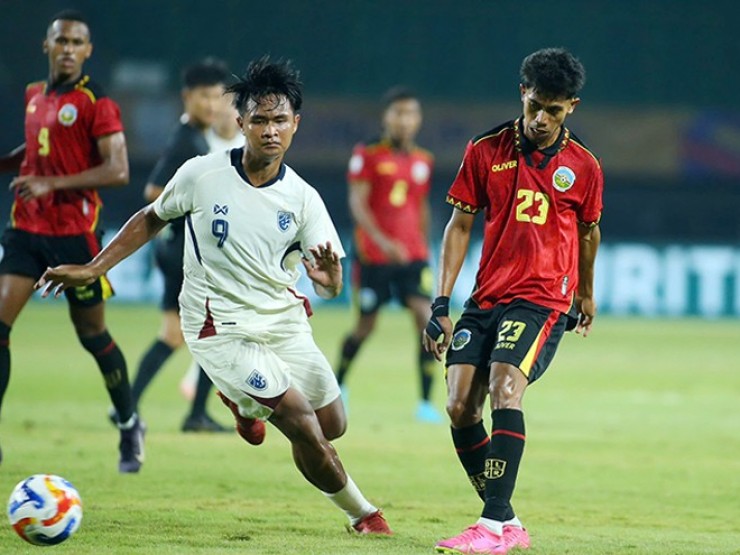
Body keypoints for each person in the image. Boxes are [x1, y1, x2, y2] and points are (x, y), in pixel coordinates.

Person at [36, 55, 393, 535]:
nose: (270, 130)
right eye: (260, 120)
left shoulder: (304, 199)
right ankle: (363, 514)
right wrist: (94, 267)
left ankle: (244, 406)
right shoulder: (202, 174)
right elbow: (151, 217)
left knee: (332, 425)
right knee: (300, 421)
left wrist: (328, 279)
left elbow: (329, 287)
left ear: (296, 124)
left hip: (282, 322)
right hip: (218, 327)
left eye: (280, 120)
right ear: (241, 123)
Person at [423, 48, 603, 554]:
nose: (542, 119)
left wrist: (586, 292)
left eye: (554, 110)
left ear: (571, 106)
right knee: (460, 405)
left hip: (542, 298)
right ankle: (508, 521)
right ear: (522, 93)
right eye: (534, 106)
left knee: (506, 386)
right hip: (486, 297)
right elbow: (459, 225)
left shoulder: (584, 165)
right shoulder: (485, 149)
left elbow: (588, 231)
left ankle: (489, 526)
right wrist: (441, 303)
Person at [0, 10, 144, 472]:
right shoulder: (34, 95)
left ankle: (129, 423)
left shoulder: (96, 102)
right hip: (26, 229)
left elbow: (117, 170)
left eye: (76, 42)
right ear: (47, 45)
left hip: (75, 237)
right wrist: (11, 165)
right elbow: (40, 149)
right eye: (61, 40)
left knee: (92, 334)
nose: (67, 49)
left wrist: (52, 184)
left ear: (87, 51)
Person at [127, 58, 231, 432]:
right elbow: (154, 191)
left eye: (218, 97)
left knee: (173, 335)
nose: (212, 105)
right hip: (186, 253)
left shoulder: (197, 137)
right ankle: (196, 414)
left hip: (178, 250)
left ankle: (125, 406)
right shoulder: (186, 140)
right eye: (205, 96)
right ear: (187, 97)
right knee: (216, 333)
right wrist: (194, 208)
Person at [335, 87, 442, 423]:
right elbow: (358, 204)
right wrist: (383, 243)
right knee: (365, 326)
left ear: (418, 119)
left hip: (412, 256)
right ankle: (338, 385)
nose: (405, 121)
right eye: (398, 113)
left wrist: (423, 243)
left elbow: (420, 205)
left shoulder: (423, 160)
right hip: (374, 257)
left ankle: (425, 403)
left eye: (411, 114)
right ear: (386, 117)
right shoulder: (367, 154)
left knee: (426, 320)